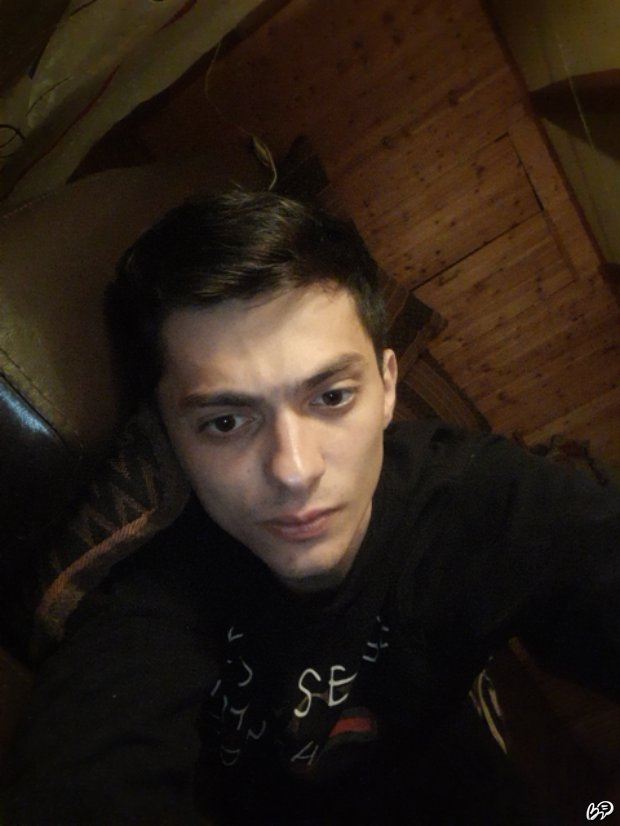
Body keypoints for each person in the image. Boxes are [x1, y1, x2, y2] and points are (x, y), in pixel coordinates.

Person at [9, 191, 620, 825]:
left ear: (387, 386)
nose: (294, 470)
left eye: (331, 397)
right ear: (166, 435)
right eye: (226, 422)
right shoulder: (153, 596)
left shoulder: (476, 493)